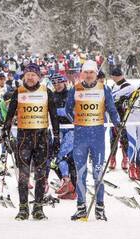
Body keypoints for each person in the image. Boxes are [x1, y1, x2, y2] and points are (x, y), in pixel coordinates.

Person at [0, 63, 60, 220]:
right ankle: (23, 208)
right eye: (28, 75)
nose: (30, 78)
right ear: (24, 77)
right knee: (23, 175)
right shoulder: (18, 92)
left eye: (33, 75)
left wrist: (57, 136)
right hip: (24, 138)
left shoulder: (47, 92)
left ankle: (38, 208)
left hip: (42, 137)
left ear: (39, 77)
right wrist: (5, 131)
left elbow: (54, 116)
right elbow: (10, 114)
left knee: (40, 174)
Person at [65, 60, 120, 221]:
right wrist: (76, 122)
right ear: (82, 73)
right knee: (81, 173)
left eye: (92, 72)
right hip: (80, 136)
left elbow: (111, 109)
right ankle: (81, 207)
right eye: (86, 72)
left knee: (98, 173)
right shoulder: (75, 89)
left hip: (97, 136)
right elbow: (68, 110)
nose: (89, 75)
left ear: (96, 74)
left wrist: (118, 124)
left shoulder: (104, 89)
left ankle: (100, 208)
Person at [50, 73, 76, 200]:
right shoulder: (52, 95)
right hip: (58, 129)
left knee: (62, 156)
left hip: (72, 129)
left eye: (59, 82)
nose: (57, 85)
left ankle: (69, 184)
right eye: (54, 83)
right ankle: (68, 185)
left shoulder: (71, 94)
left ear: (64, 82)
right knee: (57, 158)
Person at [109, 67, 135, 170]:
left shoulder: (128, 86)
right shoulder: (113, 85)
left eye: (115, 76)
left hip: (123, 115)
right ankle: (112, 158)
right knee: (113, 138)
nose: (114, 78)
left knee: (124, 138)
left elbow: (112, 97)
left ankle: (125, 158)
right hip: (113, 115)